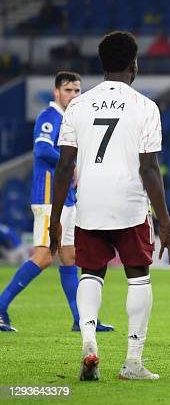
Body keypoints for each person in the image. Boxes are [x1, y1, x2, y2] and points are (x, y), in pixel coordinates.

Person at [49, 31, 170, 380]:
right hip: (129, 204)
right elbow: (149, 168)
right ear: (133, 64)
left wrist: (55, 219)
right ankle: (133, 363)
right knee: (138, 277)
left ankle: (90, 341)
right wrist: (166, 222)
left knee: (90, 273)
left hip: (90, 203)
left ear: (102, 64)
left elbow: (64, 165)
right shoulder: (145, 107)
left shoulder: (78, 105)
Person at [0, 72, 114, 333]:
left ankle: (82, 319)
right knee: (43, 256)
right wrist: (72, 164)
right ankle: (0, 306)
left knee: (70, 257)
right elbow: (41, 150)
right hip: (49, 197)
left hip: (66, 199)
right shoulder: (50, 118)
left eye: (77, 91)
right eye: (68, 90)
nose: (73, 95)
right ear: (56, 93)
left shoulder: (69, 120)